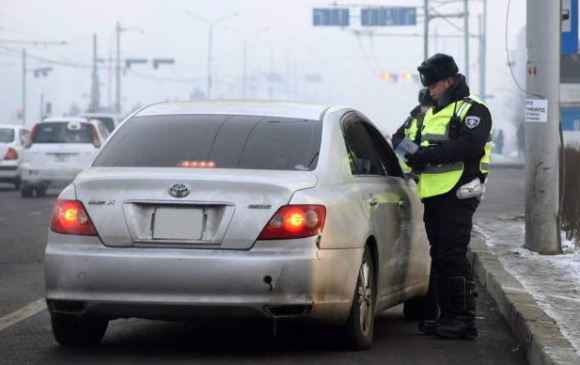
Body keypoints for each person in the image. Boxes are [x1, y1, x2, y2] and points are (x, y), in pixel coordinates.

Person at [405, 53, 493, 340]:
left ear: (449, 80)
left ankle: (464, 320)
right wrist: (410, 157)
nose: (430, 90)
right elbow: (414, 145)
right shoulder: (432, 112)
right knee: (440, 256)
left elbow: (468, 146)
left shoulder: (473, 109)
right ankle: (448, 317)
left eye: (434, 85)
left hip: (458, 193)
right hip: (433, 194)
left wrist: (424, 156)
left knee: (453, 256)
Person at [392, 88, 435, 174]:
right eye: (423, 106)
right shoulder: (411, 120)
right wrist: (409, 151)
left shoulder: (437, 121)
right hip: (408, 174)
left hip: (427, 172)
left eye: (428, 106)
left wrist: (417, 153)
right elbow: (396, 138)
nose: (424, 109)